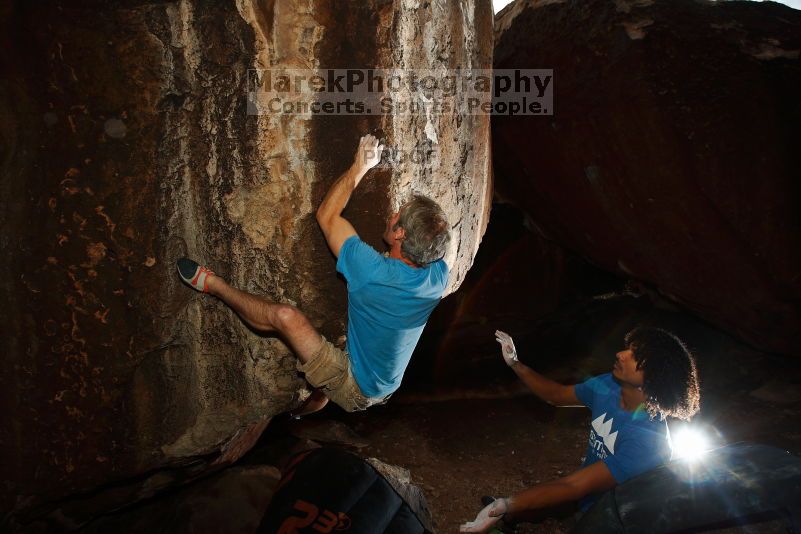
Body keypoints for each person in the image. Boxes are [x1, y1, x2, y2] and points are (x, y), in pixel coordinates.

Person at [176, 134, 450, 415]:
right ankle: (309, 404)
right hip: (387, 381)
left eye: (398, 215)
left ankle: (214, 285)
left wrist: (360, 166)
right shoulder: (438, 275)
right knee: (323, 383)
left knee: (286, 318)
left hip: (356, 386)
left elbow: (327, 215)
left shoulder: (372, 271)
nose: (393, 213)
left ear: (400, 235)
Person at [460, 326, 701, 533]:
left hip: (621, 519)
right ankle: (511, 518)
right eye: (629, 347)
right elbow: (556, 395)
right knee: (558, 505)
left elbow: (573, 486)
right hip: (589, 497)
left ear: (655, 377)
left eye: (635, 356)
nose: (621, 354)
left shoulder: (648, 442)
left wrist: (506, 503)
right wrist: (515, 364)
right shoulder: (609, 385)